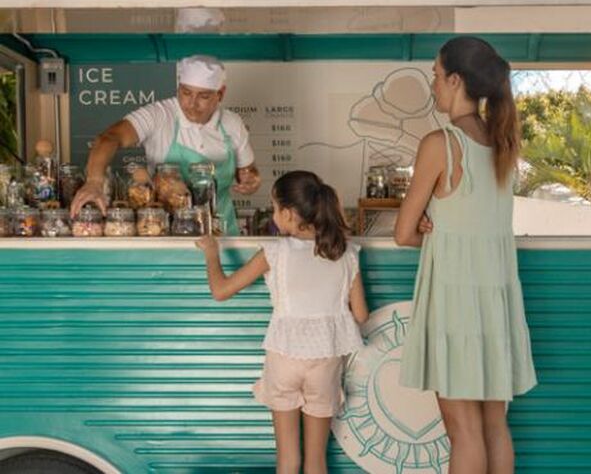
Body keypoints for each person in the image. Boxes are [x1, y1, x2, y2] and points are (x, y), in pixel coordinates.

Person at [394, 36, 537, 474]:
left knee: (464, 431)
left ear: (455, 80)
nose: (433, 85)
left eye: (436, 76)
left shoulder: (440, 143)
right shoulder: (502, 143)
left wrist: (429, 227)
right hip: (496, 303)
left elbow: (403, 233)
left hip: (456, 305)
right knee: (494, 426)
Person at [196, 170, 368, 474]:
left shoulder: (275, 252)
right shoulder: (345, 252)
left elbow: (221, 291)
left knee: (288, 461)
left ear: (288, 214)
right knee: (317, 461)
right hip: (326, 362)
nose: (273, 214)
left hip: (284, 358)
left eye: (274, 208)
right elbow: (361, 315)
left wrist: (211, 252)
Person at [70, 55, 261, 235]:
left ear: (220, 94)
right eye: (186, 93)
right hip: (165, 231)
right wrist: (94, 182)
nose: (192, 103)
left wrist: (251, 180)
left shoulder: (232, 123)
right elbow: (109, 138)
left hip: (222, 231)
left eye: (203, 96)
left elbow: (247, 172)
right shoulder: (159, 114)